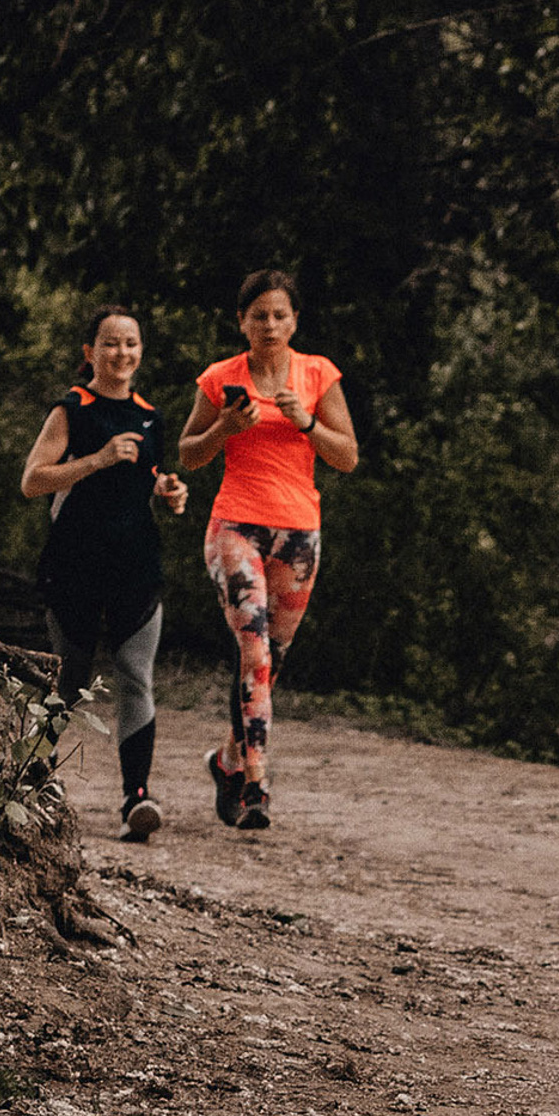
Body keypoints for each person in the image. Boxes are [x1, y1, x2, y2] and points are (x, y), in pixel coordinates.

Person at [177, 268, 359, 831]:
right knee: (253, 653)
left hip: (300, 532)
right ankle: (256, 785)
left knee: (269, 663)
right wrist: (225, 428)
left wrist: (306, 422)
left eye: (281, 315)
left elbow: (347, 455)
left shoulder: (318, 374)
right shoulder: (221, 377)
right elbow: (189, 453)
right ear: (242, 322)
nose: (271, 325)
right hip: (236, 527)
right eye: (260, 316)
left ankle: (227, 759)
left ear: (295, 320)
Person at [20, 306, 188, 841]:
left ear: (142, 351)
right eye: (110, 344)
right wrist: (96, 459)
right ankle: (26, 785)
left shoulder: (149, 416)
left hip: (135, 563)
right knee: (68, 678)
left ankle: (136, 799)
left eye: (131, 344)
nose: (122, 354)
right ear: (89, 352)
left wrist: (169, 491)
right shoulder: (72, 410)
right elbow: (33, 481)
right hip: (75, 564)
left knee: (136, 676)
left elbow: (152, 476)